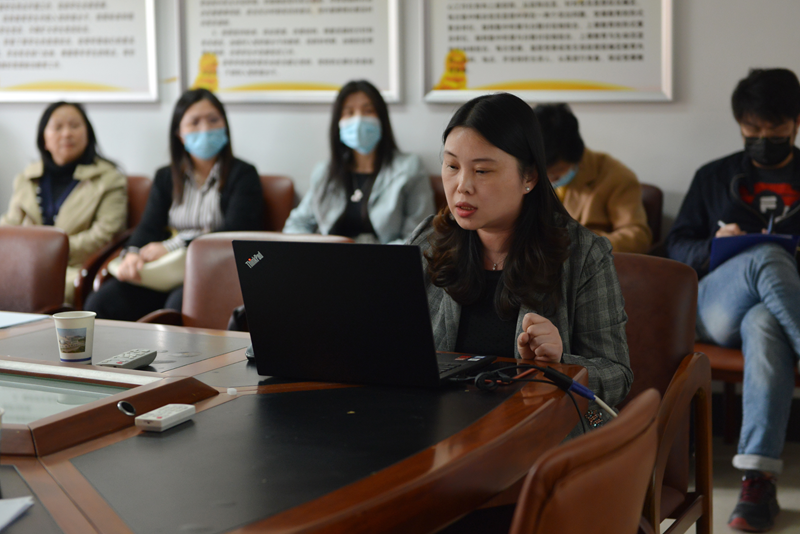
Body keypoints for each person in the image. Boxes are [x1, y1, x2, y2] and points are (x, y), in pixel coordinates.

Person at [412, 92, 632, 534]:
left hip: (543, 440)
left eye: (482, 171)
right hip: (442, 439)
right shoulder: (428, 244)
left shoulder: (583, 255)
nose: (462, 186)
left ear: (529, 176)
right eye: (451, 166)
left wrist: (561, 362)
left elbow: (618, 376)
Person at [666, 68, 800, 532]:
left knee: (764, 322)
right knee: (765, 255)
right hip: (715, 307)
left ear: (796, 123)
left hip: (780, 310)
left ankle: (757, 481)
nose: (762, 139)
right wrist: (715, 244)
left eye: (774, 130)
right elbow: (675, 246)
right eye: (752, 129)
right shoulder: (713, 177)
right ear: (740, 124)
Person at [85, 89, 263, 321]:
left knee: (178, 304)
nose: (205, 129)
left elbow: (235, 231)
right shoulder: (165, 176)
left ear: (225, 126)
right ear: (179, 133)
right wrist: (133, 253)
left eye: (213, 120)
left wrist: (174, 245)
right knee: (100, 302)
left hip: (214, 269)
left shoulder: (244, 174)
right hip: (164, 271)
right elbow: (149, 226)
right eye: (194, 122)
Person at [1, 102, 127, 305]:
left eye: (75, 126)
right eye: (57, 127)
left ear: (88, 134)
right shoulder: (27, 177)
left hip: (73, 268)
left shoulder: (109, 179)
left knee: (41, 287)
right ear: (44, 139)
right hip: (24, 265)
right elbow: (11, 224)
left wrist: (51, 252)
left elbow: (105, 234)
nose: (67, 133)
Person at [283, 80, 435, 243]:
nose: (358, 120)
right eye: (349, 112)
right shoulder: (325, 172)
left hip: (385, 258)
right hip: (330, 257)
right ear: (338, 122)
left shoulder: (410, 168)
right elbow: (296, 224)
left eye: (368, 111)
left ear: (382, 118)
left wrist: (375, 256)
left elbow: (420, 236)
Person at [533, 103, 652, 253]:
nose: (549, 180)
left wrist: (581, 243)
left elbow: (638, 238)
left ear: (575, 154)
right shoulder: (522, 172)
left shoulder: (616, 177)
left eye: (557, 172)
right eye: (541, 172)